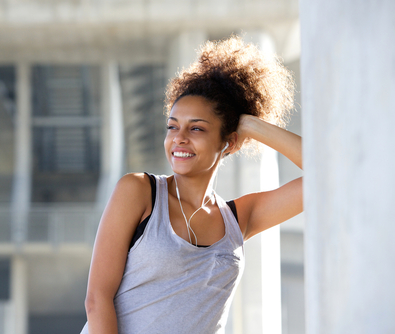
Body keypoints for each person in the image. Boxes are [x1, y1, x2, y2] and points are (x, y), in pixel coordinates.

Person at [80, 36, 302, 334]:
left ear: (229, 142)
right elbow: (97, 299)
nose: (179, 138)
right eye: (173, 126)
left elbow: (325, 177)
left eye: (196, 128)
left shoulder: (239, 218)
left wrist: (251, 126)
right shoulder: (139, 191)